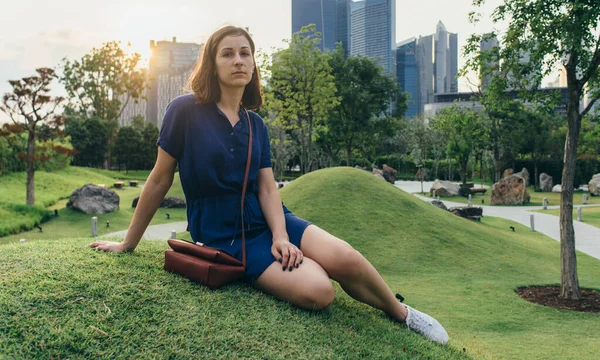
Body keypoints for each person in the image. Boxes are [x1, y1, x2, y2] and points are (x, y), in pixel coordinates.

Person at [89, 25, 448, 345]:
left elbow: (267, 188)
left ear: (254, 64)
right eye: (227, 54)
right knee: (320, 291)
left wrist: (280, 236)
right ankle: (289, 268)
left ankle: (403, 314)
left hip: (267, 218)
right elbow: (159, 178)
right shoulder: (184, 110)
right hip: (223, 234)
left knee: (344, 256)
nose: (238, 60)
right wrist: (128, 243)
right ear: (212, 64)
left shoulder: (256, 123)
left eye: (245, 53)